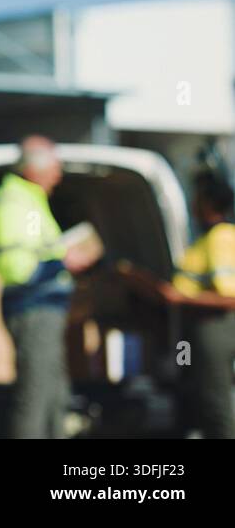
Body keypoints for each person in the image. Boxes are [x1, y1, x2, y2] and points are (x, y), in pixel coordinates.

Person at [0, 135, 96, 438]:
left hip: (45, 309)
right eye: (55, 167)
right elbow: (16, 267)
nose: (59, 175)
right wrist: (62, 263)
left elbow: (39, 249)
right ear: (34, 170)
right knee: (35, 395)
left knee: (54, 393)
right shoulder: (14, 201)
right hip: (32, 306)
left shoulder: (29, 199)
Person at [119, 170, 235, 438]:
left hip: (212, 332)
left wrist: (176, 297)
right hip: (188, 334)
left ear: (208, 203)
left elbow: (230, 297)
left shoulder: (221, 238)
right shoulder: (204, 240)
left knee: (213, 398)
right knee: (190, 388)